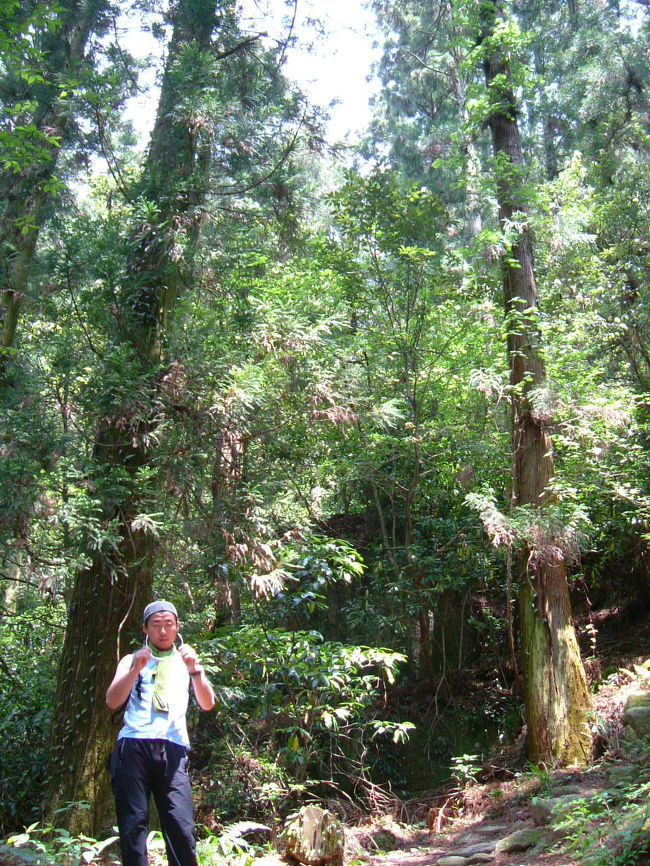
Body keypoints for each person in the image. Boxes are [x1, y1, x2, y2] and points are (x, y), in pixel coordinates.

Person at [106, 600, 215, 866]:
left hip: (173, 748)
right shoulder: (132, 659)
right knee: (133, 825)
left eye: (169, 625)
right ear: (145, 629)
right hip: (133, 747)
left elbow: (207, 703)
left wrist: (195, 670)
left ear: (178, 627)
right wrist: (135, 669)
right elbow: (112, 700)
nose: (163, 631)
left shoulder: (188, 661)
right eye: (156, 625)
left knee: (181, 825)